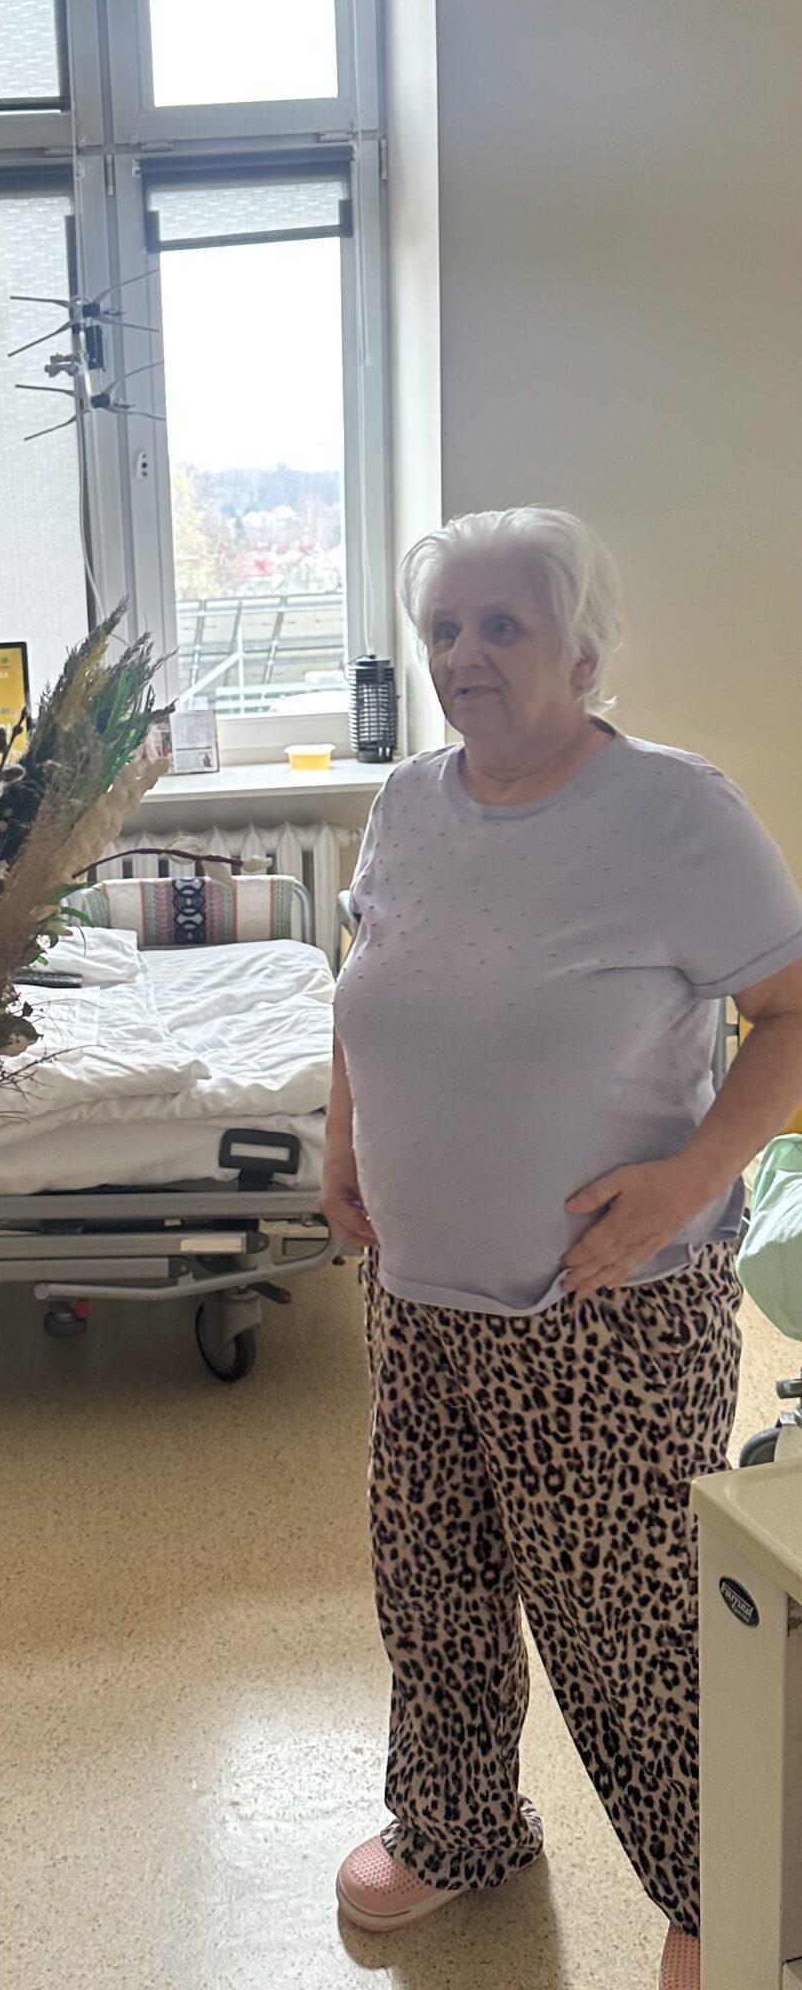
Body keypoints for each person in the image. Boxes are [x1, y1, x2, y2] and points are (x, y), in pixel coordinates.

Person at [325, 508, 802, 1990]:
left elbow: (789, 1010)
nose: (462, 655)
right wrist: (342, 1147)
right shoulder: (407, 799)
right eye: (443, 629)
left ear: (582, 654)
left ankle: (725, 1893)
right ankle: (456, 1828)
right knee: (432, 1584)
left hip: (606, 1309)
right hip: (416, 1297)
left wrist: (695, 1174)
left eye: (501, 626)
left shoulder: (670, 810)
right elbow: (365, 981)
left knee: (632, 1626)